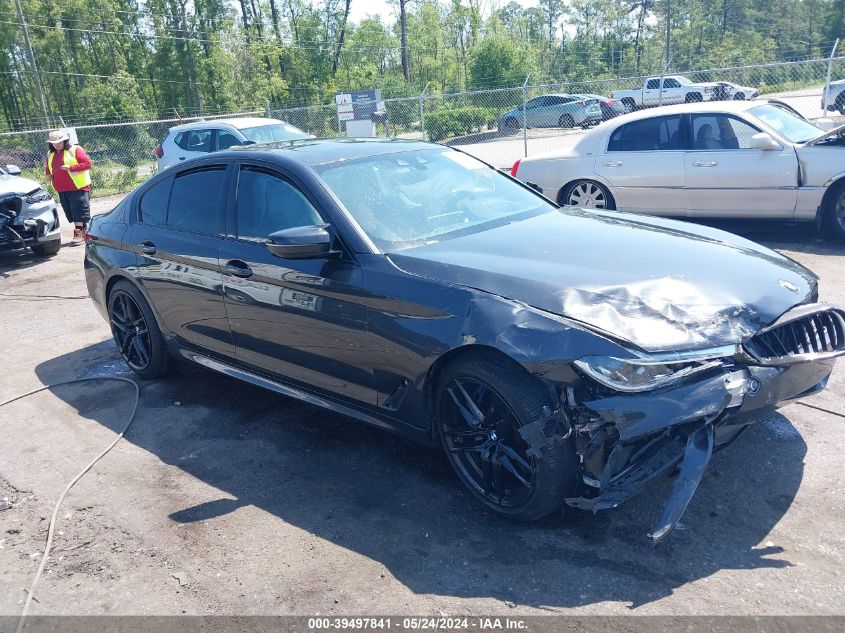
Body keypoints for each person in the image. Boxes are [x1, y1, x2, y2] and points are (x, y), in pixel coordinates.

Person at [45, 130, 92, 244]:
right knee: (70, 211)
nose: (57, 144)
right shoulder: (50, 153)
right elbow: (48, 166)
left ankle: (79, 234)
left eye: (60, 142)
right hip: (62, 189)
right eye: (54, 143)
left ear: (65, 141)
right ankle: (85, 231)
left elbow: (87, 164)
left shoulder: (75, 149)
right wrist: (48, 175)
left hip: (77, 187)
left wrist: (71, 167)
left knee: (78, 210)